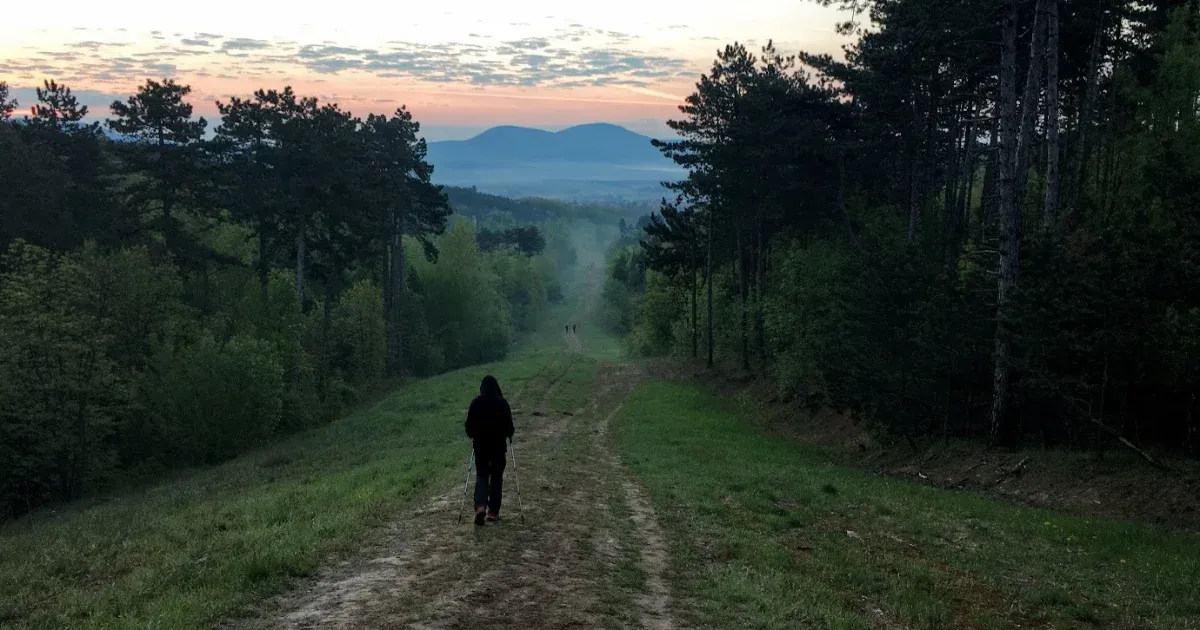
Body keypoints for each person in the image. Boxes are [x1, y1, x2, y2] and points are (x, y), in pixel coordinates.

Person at [464, 375, 514, 525]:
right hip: (498, 447)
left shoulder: (476, 403)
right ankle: (493, 512)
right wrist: (507, 434)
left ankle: (480, 507)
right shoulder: (502, 403)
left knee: (482, 476)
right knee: (497, 477)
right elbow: (510, 429)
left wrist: (474, 434)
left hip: (481, 447)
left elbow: (469, 429)